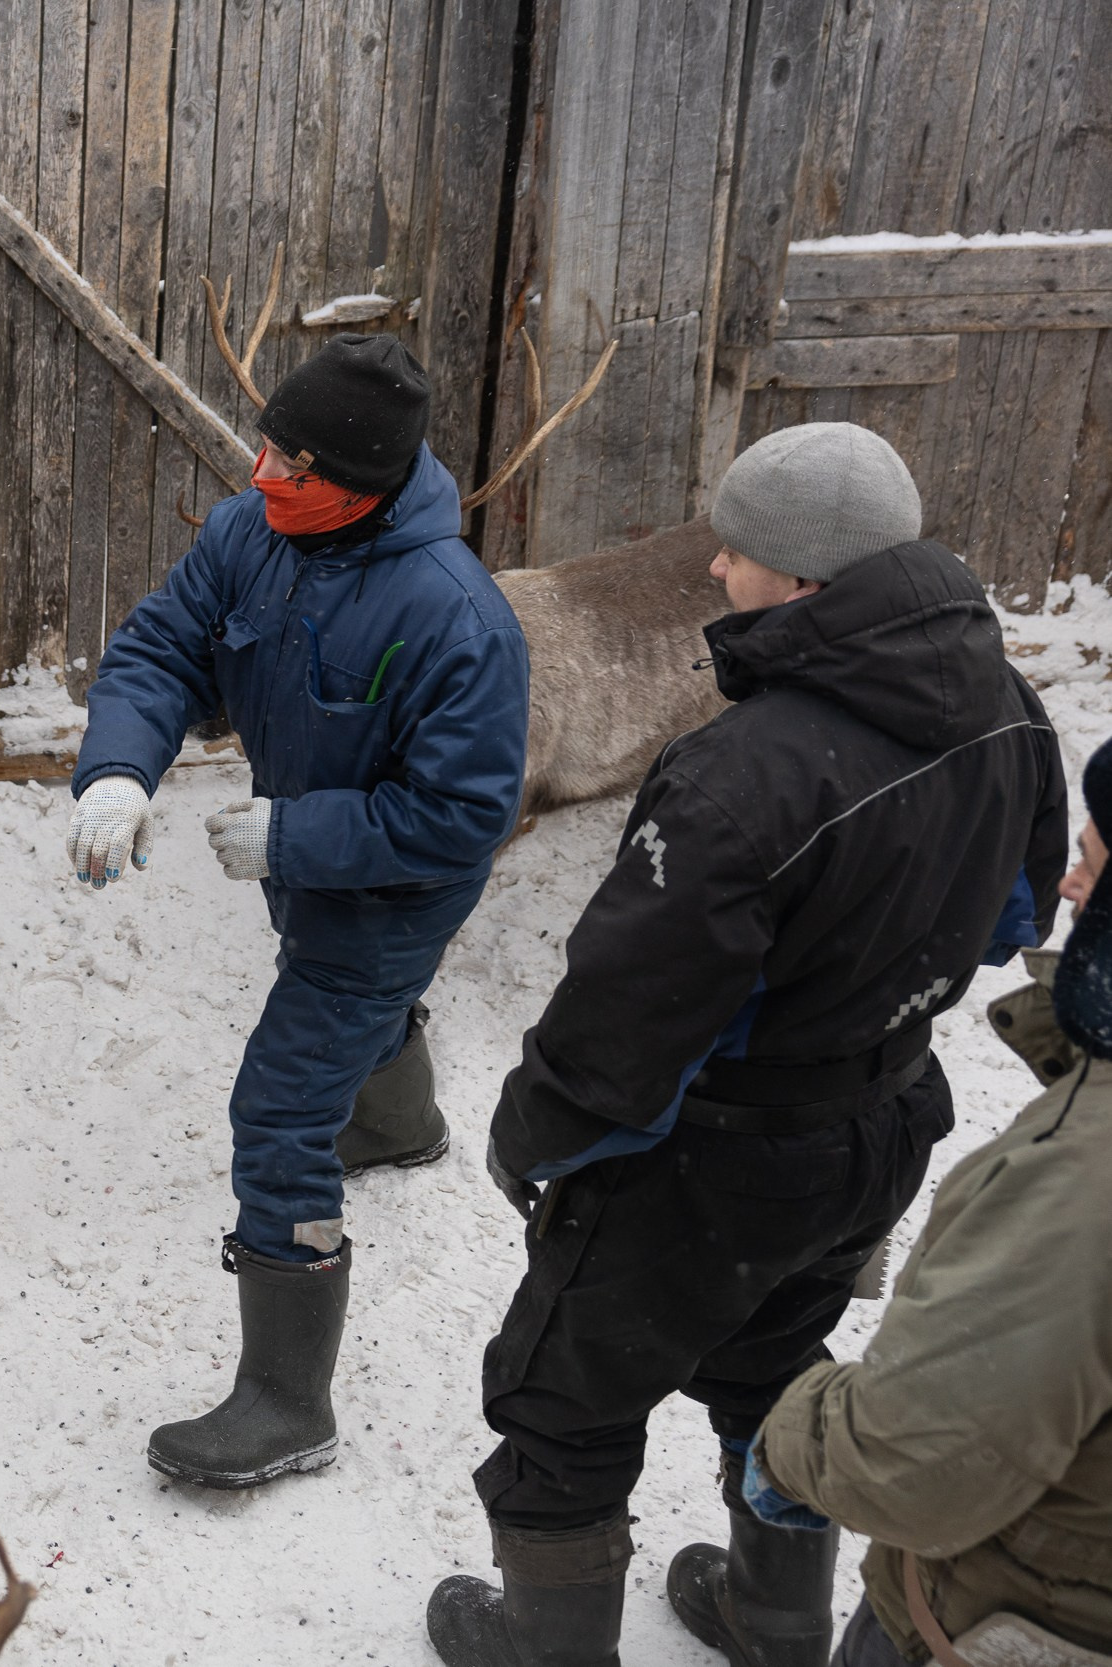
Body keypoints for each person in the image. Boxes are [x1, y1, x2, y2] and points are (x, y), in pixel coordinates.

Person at [426, 421, 1068, 1667]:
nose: (714, 572)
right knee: (777, 1362)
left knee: (559, 1399)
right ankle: (773, 1622)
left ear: (809, 579)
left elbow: (624, 1019)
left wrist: (534, 1135)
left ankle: (547, 1644)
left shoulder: (737, 776)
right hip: (880, 1122)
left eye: (739, 554)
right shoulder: (1010, 707)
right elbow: (1012, 917)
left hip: (710, 1158)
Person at [66, 333, 532, 1489]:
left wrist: (299, 835)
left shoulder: (454, 617)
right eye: (266, 447)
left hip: (393, 889)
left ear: (364, 485)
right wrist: (121, 766)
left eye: (296, 466)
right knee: (336, 1002)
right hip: (315, 871)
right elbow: (162, 648)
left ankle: (286, 1400)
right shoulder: (249, 533)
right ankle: (394, 1120)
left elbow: (464, 813)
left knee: (279, 1109)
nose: (263, 474)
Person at [748, 739, 1111, 1667]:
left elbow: (921, 1460)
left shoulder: (1082, 1176)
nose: (1070, 887)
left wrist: (792, 1437)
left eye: (1095, 860)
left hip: (1008, 1624)